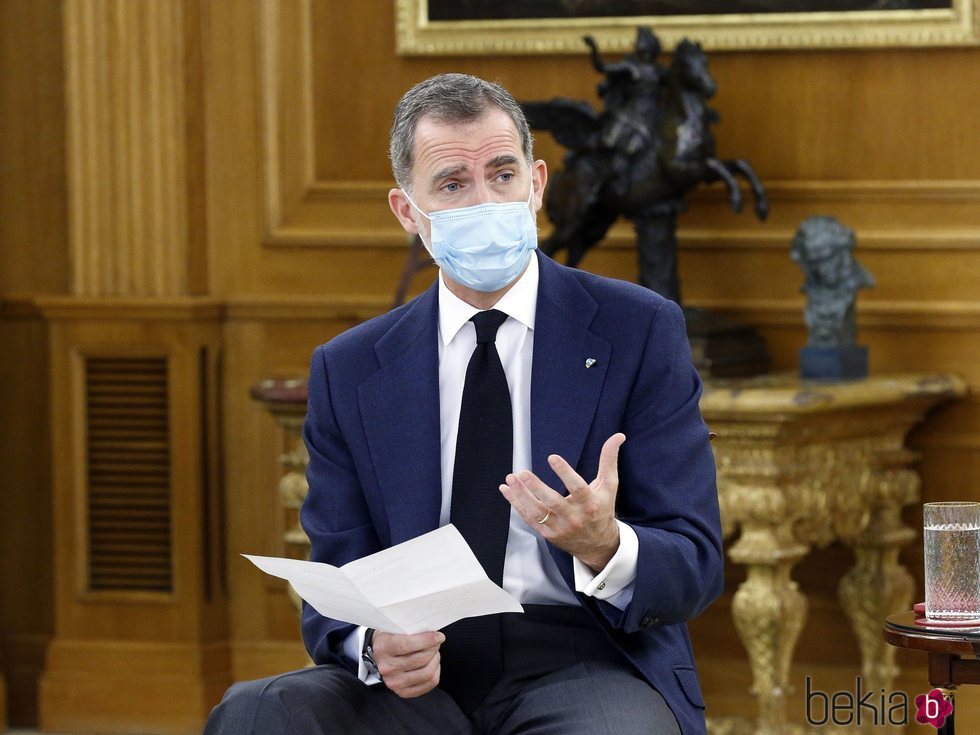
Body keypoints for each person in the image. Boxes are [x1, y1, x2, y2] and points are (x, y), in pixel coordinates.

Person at [205, 72, 723, 735]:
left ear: (536, 184)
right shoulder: (351, 367)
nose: (484, 199)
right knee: (257, 713)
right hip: (417, 674)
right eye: (453, 184)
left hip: (585, 661)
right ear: (406, 210)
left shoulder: (637, 330)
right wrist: (372, 643)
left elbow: (696, 562)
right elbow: (336, 574)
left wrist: (606, 545)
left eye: (502, 175)